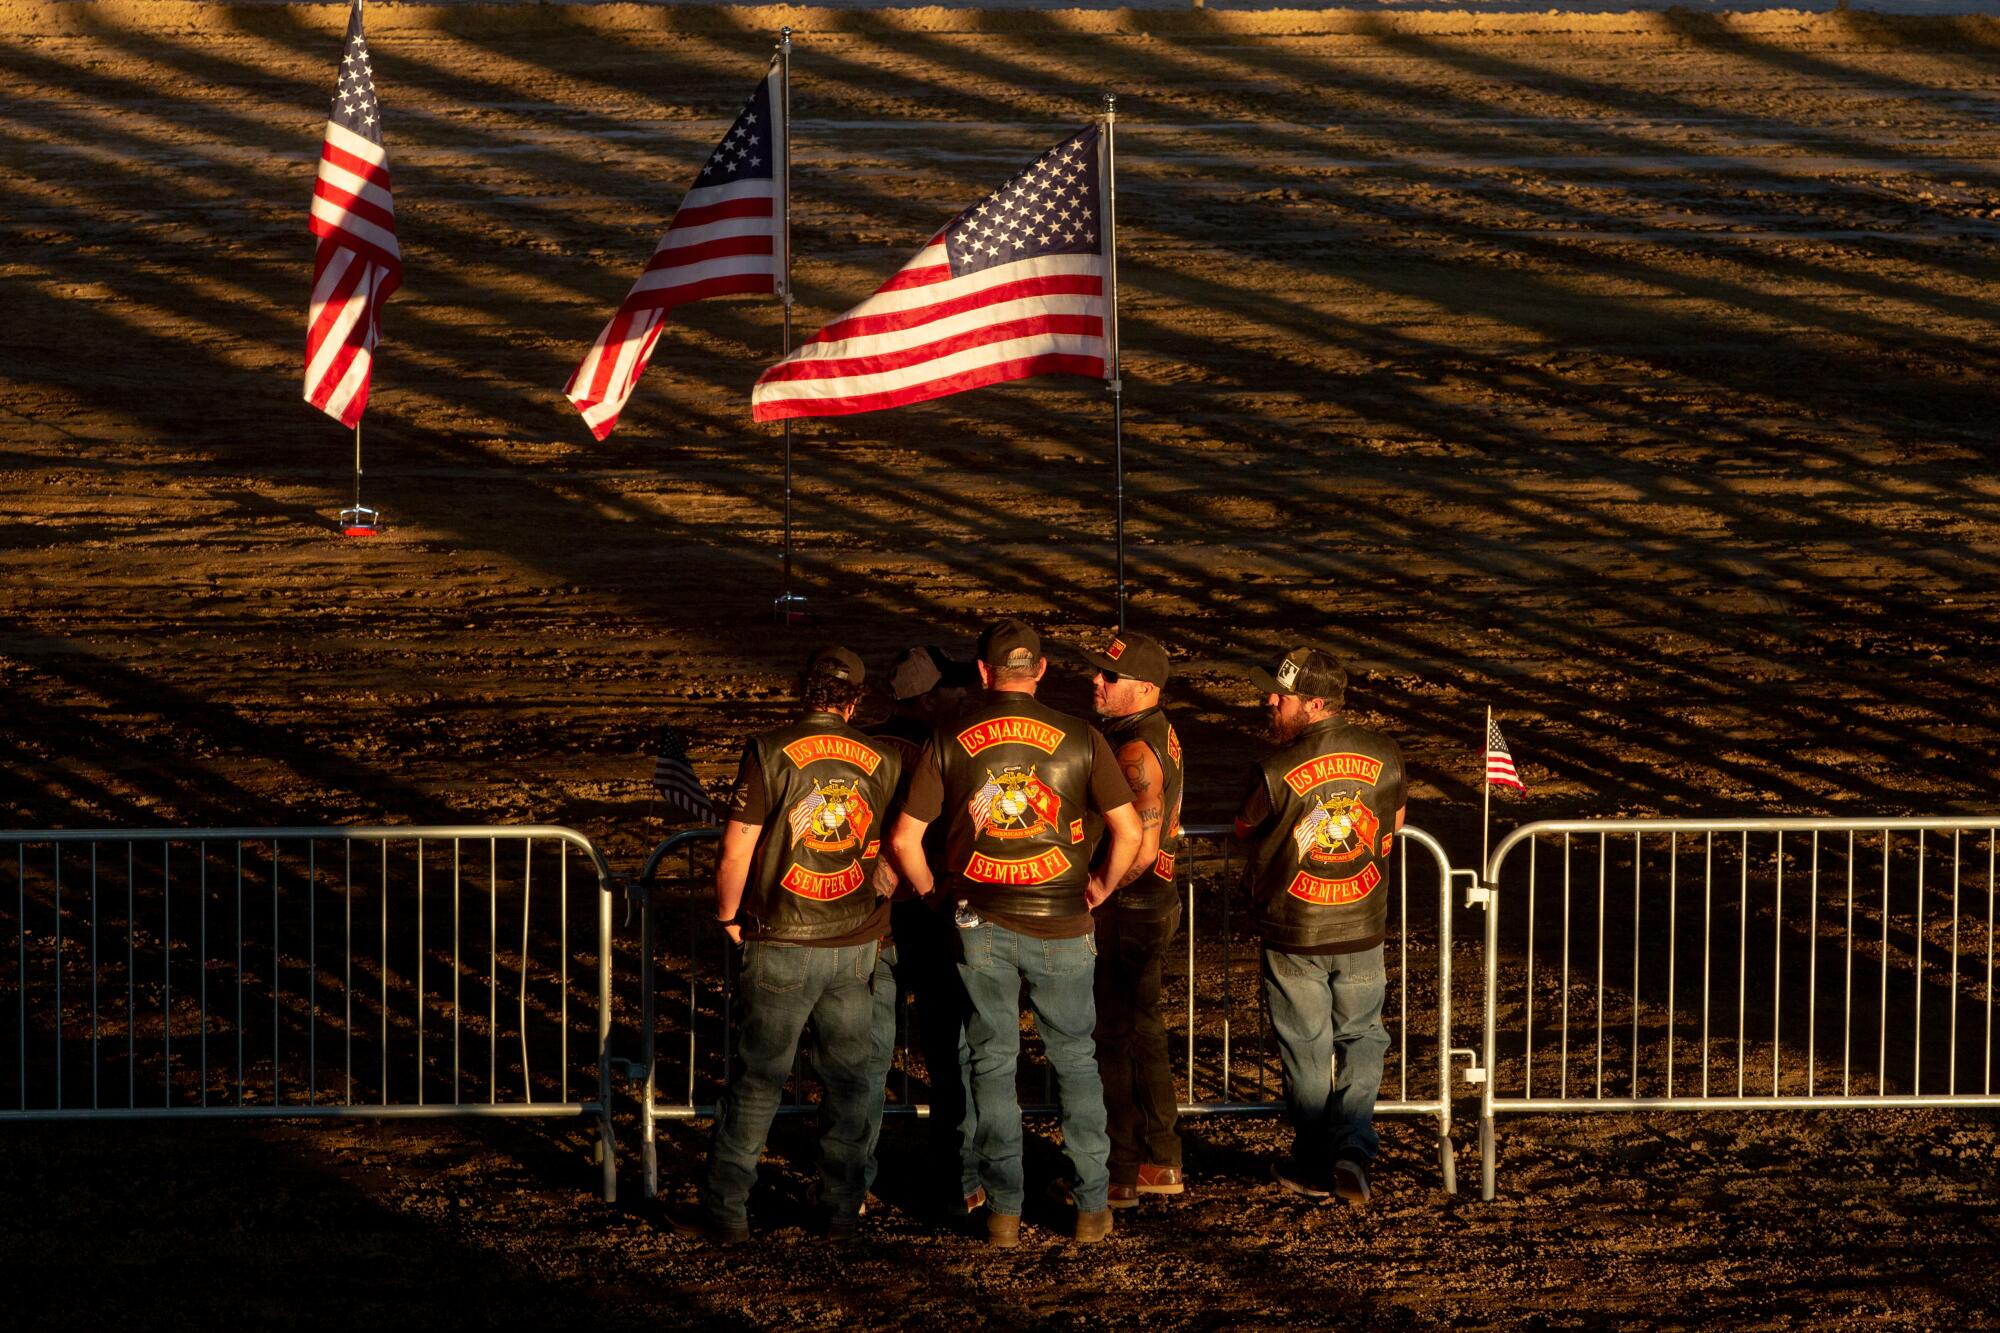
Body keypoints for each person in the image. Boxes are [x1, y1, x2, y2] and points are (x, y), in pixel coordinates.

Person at [888, 618, 1142, 1248]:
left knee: (991, 1063)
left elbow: (902, 839)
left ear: (982, 672)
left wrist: (931, 894)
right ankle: (1089, 1204)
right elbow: (1132, 831)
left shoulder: (950, 736)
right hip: (1061, 916)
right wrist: (1100, 888)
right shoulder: (1082, 737)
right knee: (1076, 1060)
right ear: (1043, 670)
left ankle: (1003, 1208)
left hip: (982, 921)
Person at [675, 646, 903, 1243]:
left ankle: (726, 1210)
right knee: (851, 1082)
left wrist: (728, 914)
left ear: (805, 691)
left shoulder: (769, 748)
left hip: (780, 934)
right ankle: (840, 1209)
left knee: (757, 1081)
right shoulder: (883, 757)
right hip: (854, 941)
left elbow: (735, 848)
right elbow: (898, 846)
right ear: (854, 700)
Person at [1231, 647, 1405, 1208]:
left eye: (1283, 695)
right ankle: (1353, 1150)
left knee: (1305, 1048)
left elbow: (1243, 829)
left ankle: (1312, 1161)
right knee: (1363, 1036)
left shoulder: (1272, 768)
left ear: (1317, 703)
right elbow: (1393, 824)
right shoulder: (1386, 753)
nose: (1271, 701)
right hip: (1361, 925)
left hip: (1295, 930)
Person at [861, 645, 985, 1218]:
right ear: (930, 699)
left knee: (864, 1054)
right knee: (949, 1053)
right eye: (956, 691)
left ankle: (850, 1183)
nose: (967, 697)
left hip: (869, 922)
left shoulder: (864, 748)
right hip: (929, 914)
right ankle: (959, 1181)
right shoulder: (945, 750)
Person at [1079, 630, 1187, 1209]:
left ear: (1144, 688)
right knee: (1141, 1033)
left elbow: (1141, 848)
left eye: (1110, 676)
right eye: (1097, 672)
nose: (1097, 681)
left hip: (1130, 906)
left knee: (1114, 1040)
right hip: (1150, 903)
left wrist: (1097, 889)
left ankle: (1122, 1170)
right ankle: (1159, 1160)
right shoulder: (1152, 732)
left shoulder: (1136, 748)